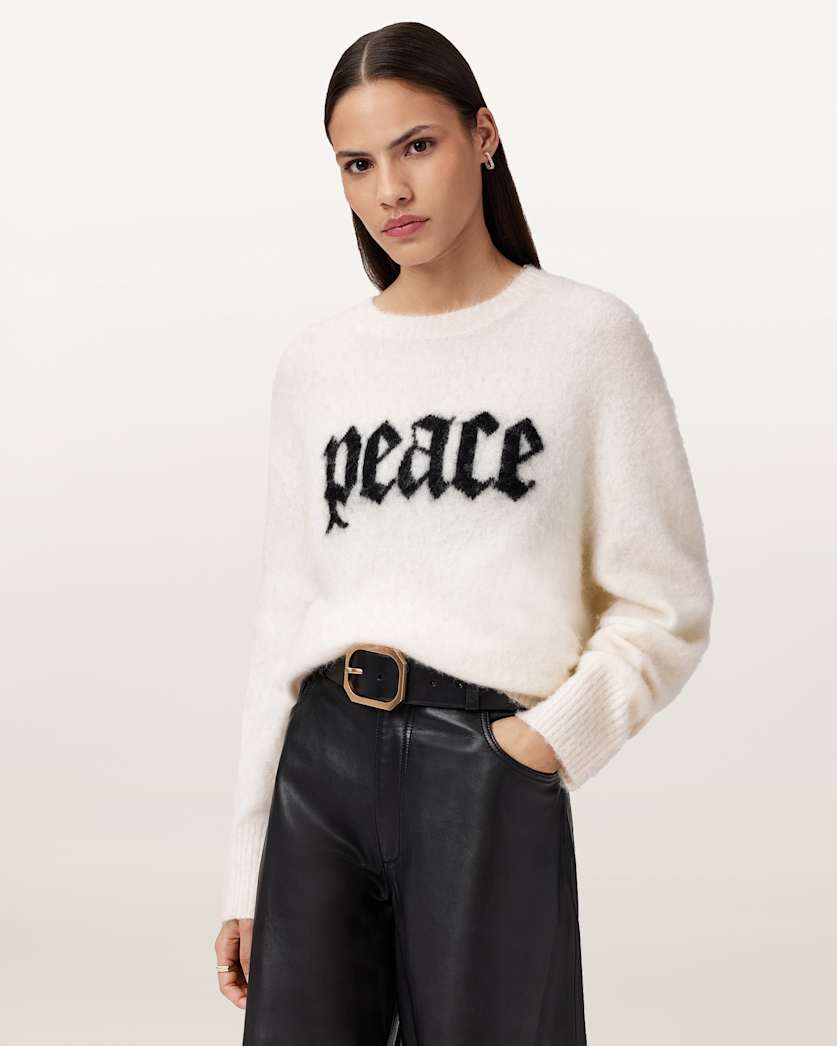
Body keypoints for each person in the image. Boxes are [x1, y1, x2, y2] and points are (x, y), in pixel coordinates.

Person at [214, 20, 714, 1046]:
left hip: (484, 767)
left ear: (483, 136)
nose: (390, 190)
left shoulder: (586, 337)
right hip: (320, 768)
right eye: (357, 164)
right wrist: (247, 862)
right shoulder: (318, 364)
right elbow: (287, 614)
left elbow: (665, 603)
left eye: (418, 146)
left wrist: (540, 746)